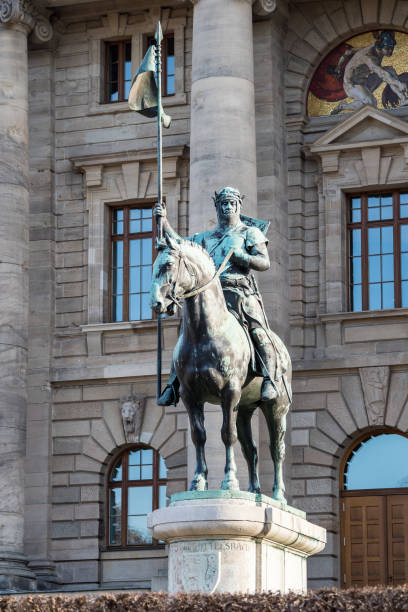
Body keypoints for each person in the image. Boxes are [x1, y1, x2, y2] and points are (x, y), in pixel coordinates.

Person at [155, 186, 284, 406]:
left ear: (238, 206)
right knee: (187, 332)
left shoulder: (249, 233)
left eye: (232, 203)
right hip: (211, 295)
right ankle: (173, 383)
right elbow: (180, 246)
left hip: (239, 291)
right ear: (217, 207)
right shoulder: (207, 237)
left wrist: (244, 257)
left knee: (258, 329)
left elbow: (264, 262)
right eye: (223, 203)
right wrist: (164, 222)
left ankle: (270, 379)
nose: (227, 207)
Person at [331, 30, 408, 115]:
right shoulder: (368, 57)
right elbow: (381, 73)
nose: (390, 51)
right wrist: (399, 84)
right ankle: (343, 106)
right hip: (352, 85)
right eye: (387, 48)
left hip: (366, 81)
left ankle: (403, 99)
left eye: (392, 48)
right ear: (380, 46)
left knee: (389, 70)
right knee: (371, 104)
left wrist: (338, 67)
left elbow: (348, 52)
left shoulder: (372, 48)